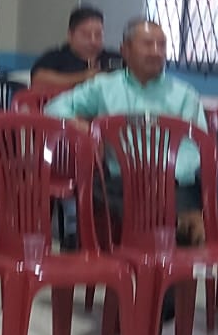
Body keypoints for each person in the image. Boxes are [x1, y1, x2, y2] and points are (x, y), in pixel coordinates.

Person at [45, 18, 207, 240]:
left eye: (161, 45)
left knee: (187, 211)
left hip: (171, 181)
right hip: (121, 180)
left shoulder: (184, 94)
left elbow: (196, 146)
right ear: (125, 50)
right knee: (94, 190)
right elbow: (54, 107)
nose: (156, 52)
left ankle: (168, 249)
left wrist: (166, 175)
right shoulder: (104, 87)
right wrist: (78, 124)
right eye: (148, 44)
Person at [30, 6, 122, 90]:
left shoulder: (115, 58)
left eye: (98, 35)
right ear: (70, 35)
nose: (93, 41)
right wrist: (84, 77)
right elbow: (38, 79)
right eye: (86, 35)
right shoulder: (56, 57)